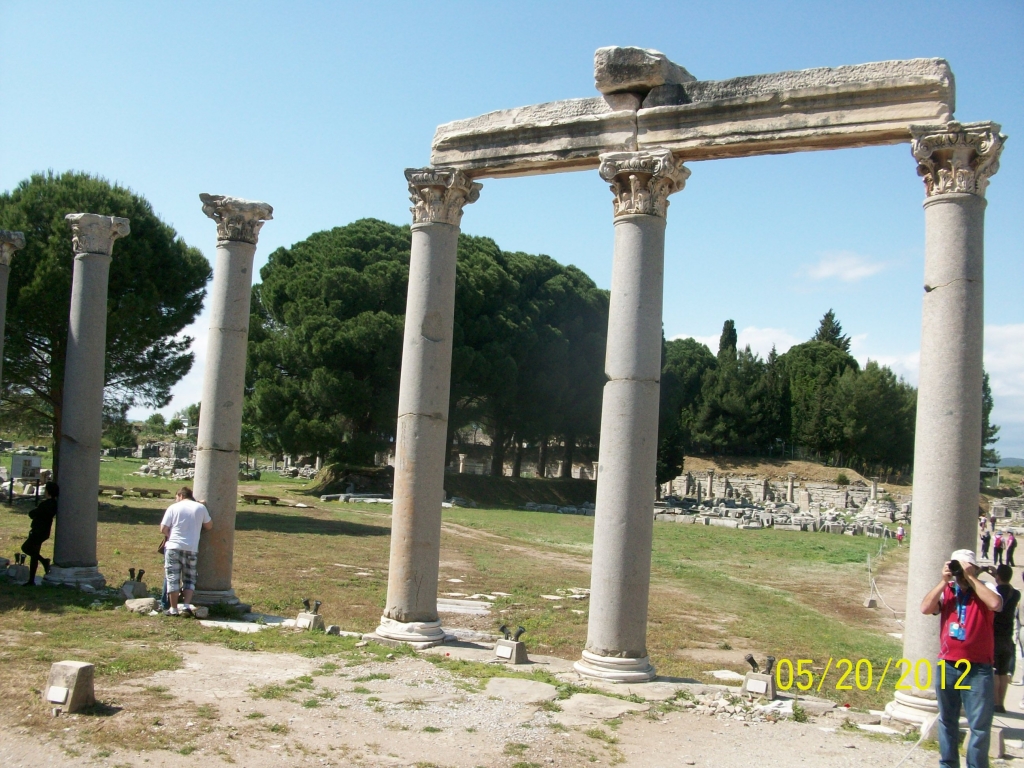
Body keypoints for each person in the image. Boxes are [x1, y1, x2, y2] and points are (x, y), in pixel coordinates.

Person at [921, 549, 1002, 768]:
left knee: (979, 725)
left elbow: (995, 604)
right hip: (948, 664)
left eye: (965, 566)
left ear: (974, 568)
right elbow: (925, 608)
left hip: (978, 668)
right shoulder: (949, 591)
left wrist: (971, 577)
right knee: (947, 720)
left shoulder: (986, 588)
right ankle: (948, 764)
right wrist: (943, 581)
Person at [159, 487, 212, 617]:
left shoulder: (173, 507)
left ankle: (173, 608)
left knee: (173, 577)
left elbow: (163, 528)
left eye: (176, 497)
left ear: (180, 495)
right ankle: (186, 606)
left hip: (173, 546)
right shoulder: (200, 508)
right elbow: (209, 525)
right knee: (189, 578)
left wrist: (169, 535)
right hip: (191, 547)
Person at [991, 564, 1020, 713]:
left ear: (998, 577)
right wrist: (998, 576)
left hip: (995, 635)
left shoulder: (995, 592)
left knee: (995, 671)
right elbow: (1006, 586)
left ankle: (995, 702)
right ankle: (1001, 703)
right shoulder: (1015, 594)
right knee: (1003, 672)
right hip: (1008, 637)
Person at [21, 481, 58, 587]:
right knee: (33, 553)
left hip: (38, 531)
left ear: (48, 491)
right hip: (44, 531)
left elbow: (32, 514)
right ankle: (32, 578)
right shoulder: (54, 504)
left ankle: (43, 562)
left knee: (26, 548)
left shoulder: (45, 504)